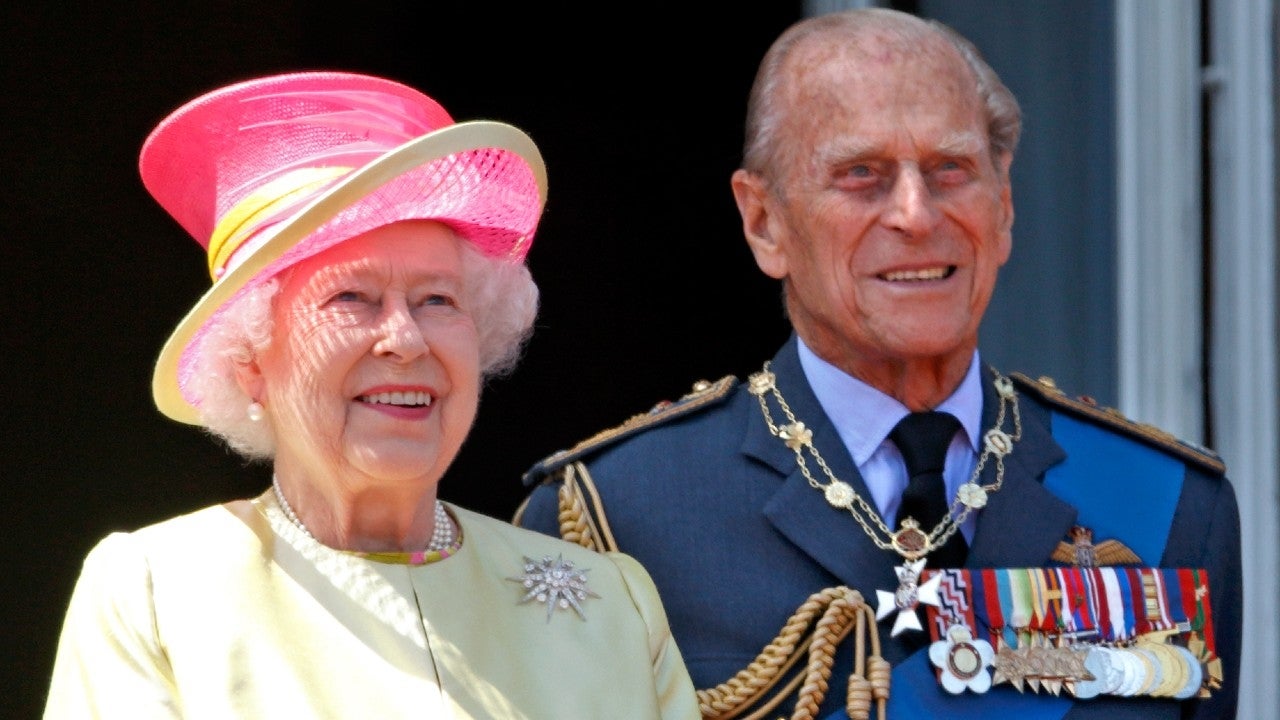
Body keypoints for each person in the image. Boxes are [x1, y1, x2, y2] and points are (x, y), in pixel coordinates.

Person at [514, 8, 1241, 720]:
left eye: (950, 169)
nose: (917, 215)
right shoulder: (619, 519)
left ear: (1006, 203)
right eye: (862, 174)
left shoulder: (1165, 503)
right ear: (764, 222)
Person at [44, 70, 700, 719]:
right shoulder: (157, 592)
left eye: (437, 300)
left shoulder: (613, 606)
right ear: (249, 362)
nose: (406, 340)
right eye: (351, 298)